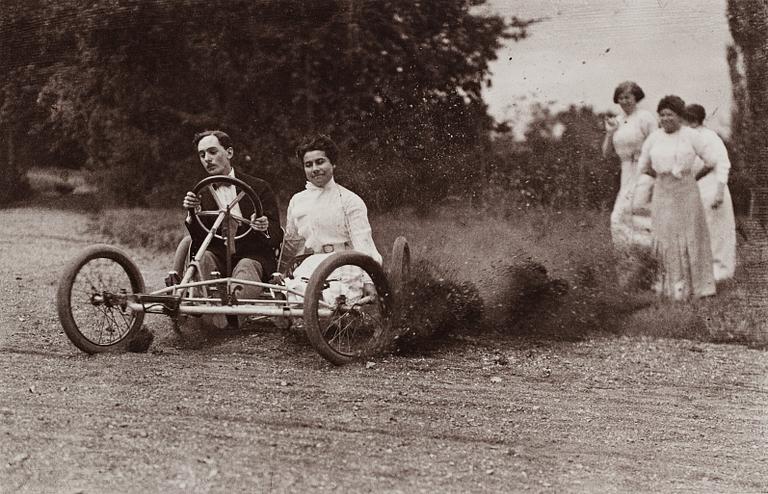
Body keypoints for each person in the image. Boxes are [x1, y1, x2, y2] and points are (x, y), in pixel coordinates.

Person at [182, 130, 283, 325]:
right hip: (218, 256)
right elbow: (199, 239)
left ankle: (230, 314)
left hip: (252, 255)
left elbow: (276, 233)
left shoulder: (259, 187)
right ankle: (204, 305)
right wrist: (191, 213)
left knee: (246, 266)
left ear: (229, 153)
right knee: (203, 258)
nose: (207, 159)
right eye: (202, 155)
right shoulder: (202, 191)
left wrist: (263, 226)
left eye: (212, 152)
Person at [637, 95, 728, 300]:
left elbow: (711, 160)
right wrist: (662, 177)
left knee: (691, 235)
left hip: (687, 191)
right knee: (665, 237)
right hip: (662, 192)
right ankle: (670, 289)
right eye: (662, 115)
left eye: (670, 114)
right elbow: (643, 165)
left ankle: (700, 288)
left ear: (679, 116)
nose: (666, 119)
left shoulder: (691, 135)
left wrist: (690, 177)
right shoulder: (654, 138)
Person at [277, 134, 381, 304]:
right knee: (294, 290)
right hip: (314, 263)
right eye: (308, 165)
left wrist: (370, 280)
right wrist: (282, 269)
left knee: (329, 298)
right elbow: (293, 242)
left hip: (345, 262)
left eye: (320, 162)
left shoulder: (349, 200)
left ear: (332, 163)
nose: (315, 169)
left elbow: (363, 242)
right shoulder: (298, 200)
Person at [602, 81, 658, 251]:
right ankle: (627, 257)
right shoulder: (617, 121)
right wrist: (610, 132)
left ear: (636, 97)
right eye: (620, 98)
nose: (624, 101)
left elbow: (657, 144)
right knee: (619, 217)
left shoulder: (645, 117)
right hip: (626, 172)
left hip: (645, 170)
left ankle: (652, 255)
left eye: (628, 97)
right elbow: (606, 153)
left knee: (640, 214)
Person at [683, 104, 736, 282]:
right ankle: (702, 272)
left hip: (713, 186)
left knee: (716, 231)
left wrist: (720, 192)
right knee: (701, 230)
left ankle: (721, 273)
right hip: (697, 188)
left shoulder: (710, 137)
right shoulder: (689, 138)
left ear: (695, 120)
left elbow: (723, 164)